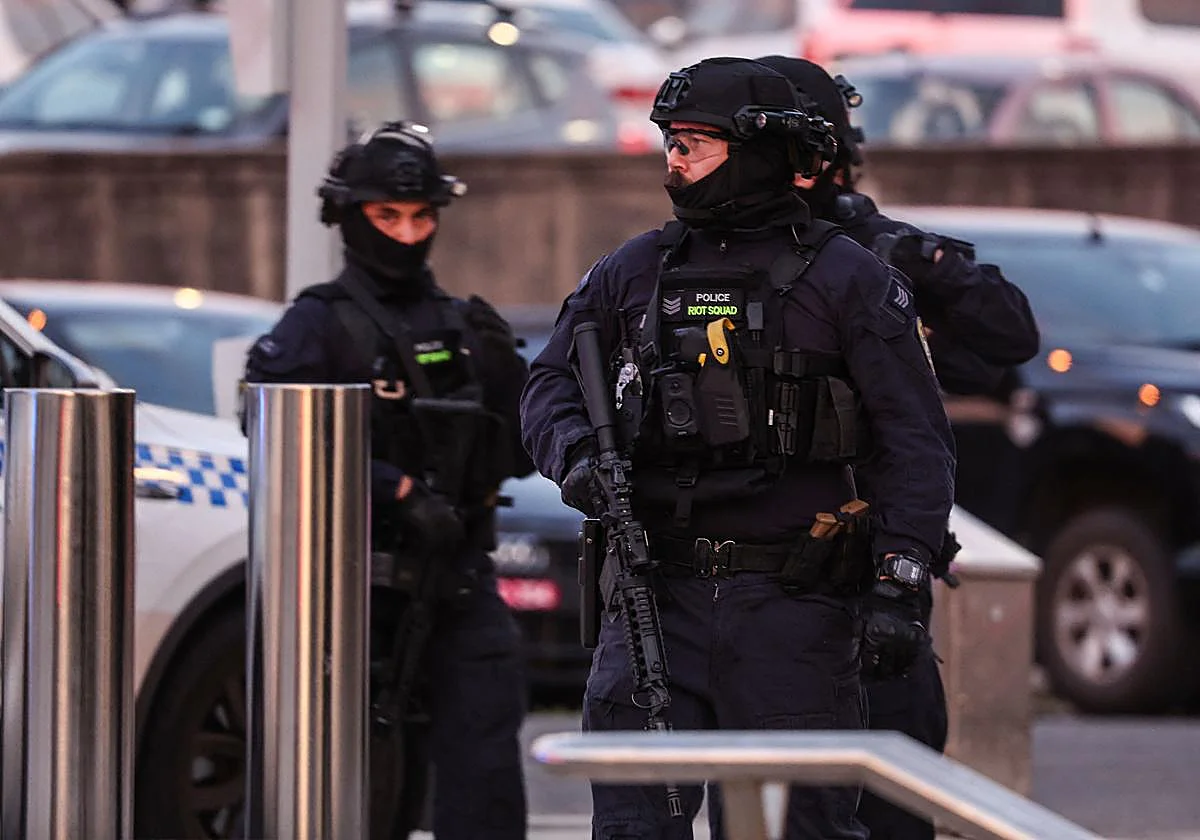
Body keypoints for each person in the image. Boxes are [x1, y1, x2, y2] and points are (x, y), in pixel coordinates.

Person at [520, 57, 956, 840]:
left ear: (756, 150)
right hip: (656, 595)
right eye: (669, 142)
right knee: (634, 826)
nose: (673, 160)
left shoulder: (848, 279)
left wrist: (900, 580)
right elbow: (547, 385)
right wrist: (578, 459)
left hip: (793, 610)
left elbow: (914, 443)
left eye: (694, 142)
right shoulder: (635, 270)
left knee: (799, 829)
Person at [756, 54, 1042, 840]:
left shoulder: (880, 258)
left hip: (876, 568)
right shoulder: (719, 263)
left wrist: (922, 263)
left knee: (894, 794)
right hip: (756, 579)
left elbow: (1004, 339)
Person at [243, 121, 530, 840]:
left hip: (459, 580)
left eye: (421, 216)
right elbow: (273, 434)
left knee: (485, 773)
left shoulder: (461, 322)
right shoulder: (317, 323)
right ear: (349, 218)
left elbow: (522, 454)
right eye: (387, 216)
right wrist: (394, 490)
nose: (407, 234)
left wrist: (509, 381)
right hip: (354, 594)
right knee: (357, 788)